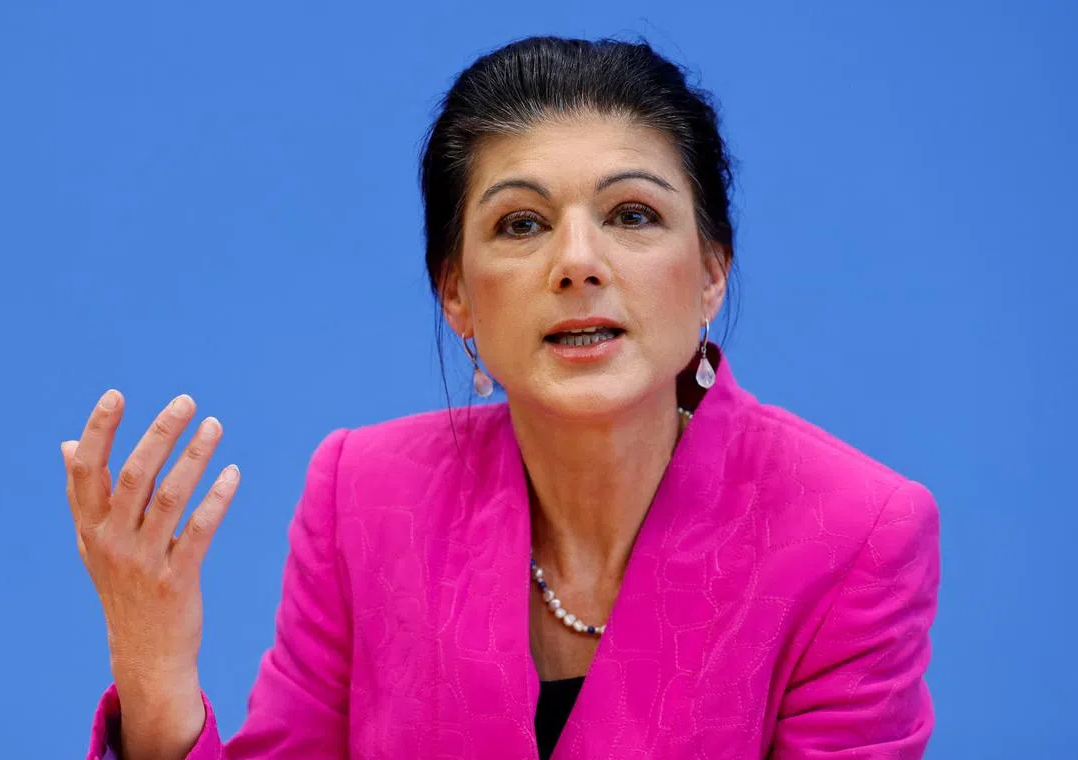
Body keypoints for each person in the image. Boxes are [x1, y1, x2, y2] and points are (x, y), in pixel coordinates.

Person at [63, 36, 940, 760]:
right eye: (522, 224)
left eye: (632, 215)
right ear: (457, 295)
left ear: (711, 271)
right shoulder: (362, 494)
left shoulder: (856, 533)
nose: (578, 262)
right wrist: (155, 669)